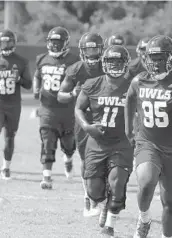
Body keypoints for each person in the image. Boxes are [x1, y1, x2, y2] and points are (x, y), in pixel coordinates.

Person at [125, 35, 172, 238]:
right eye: (152, 57)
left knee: (170, 204)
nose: (155, 62)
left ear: (171, 59)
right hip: (147, 144)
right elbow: (129, 99)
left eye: (160, 58)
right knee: (147, 180)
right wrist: (128, 131)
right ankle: (144, 217)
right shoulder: (139, 80)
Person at [75, 45, 134, 237]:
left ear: (126, 64)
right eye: (111, 61)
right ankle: (102, 204)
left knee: (117, 183)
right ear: (104, 63)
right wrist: (86, 126)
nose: (115, 65)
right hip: (97, 142)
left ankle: (109, 225)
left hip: (122, 142)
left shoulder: (135, 85)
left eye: (119, 61)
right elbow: (79, 108)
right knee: (93, 189)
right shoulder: (93, 84)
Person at [57, 32, 104, 216]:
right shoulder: (76, 69)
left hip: (107, 119)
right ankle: (88, 196)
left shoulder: (109, 66)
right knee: (86, 160)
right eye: (88, 49)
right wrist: (72, 94)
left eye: (95, 49)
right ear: (82, 51)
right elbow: (60, 95)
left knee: (108, 160)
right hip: (84, 120)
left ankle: (104, 198)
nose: (92, 54)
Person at [33, 26, 80, 189]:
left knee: (68, 144)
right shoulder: (41, 59)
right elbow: (37, 76)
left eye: (58, 42)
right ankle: (47, 177)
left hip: (67, 110)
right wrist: (36, 88)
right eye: (52, 42)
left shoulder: (74, 60)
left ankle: (68, 159)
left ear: (65, 43)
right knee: (47, 142)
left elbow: (80, 81)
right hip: (47, 110)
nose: (54, 45)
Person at [0, 29, 32, 179]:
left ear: (14, 43)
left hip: (13, 105)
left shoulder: (21, 61)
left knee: (10, 137)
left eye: (8, 42)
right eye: (3, 42)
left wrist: (18, 78)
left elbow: (28, 85)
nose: (5, 45)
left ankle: (6, 166)